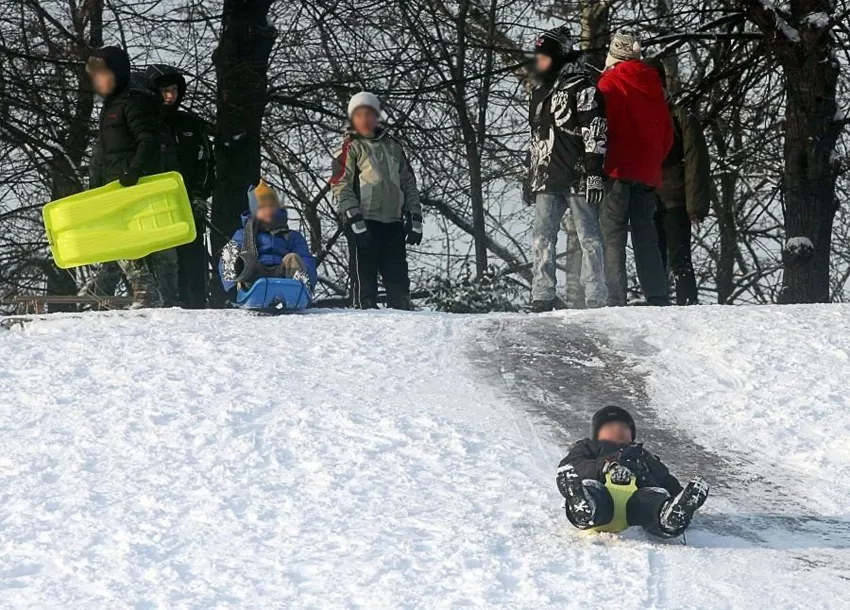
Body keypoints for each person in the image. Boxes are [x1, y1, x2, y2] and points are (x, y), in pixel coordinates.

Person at [525, 26, 608, 312]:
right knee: (542, 236)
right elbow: (535, 139)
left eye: (545, 55)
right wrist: (530, 176)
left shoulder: (583, 88)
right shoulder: (538, 93)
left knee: (589, 237)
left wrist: (595, 172)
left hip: (578, 176)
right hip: (546, 177)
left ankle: (596, 295)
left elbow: (595, 131)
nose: (540, 61)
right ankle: (542, 294)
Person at [87, 46, 172, 308]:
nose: (97, 81)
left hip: (129, 184)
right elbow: (104, 151)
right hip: (111, 185)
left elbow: (148, 140)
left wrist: (134, 171)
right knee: (109, 241)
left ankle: (146, 291)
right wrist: (95, 185)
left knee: (121, 238)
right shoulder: (111, 106)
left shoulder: (132, 101)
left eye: (102, 74)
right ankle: (100, 296)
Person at [597, 31, 673, 307]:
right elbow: (667, 134)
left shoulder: (608, 83)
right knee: (646, 235)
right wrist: (652, 160)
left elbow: (599, 127)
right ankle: (657, 294)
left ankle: (615, 297)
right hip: (647, 172)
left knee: (612, 234)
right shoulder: (655, 85)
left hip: (616, 169)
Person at [556, 406, 709, 538]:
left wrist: (682, 499)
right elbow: (571, 466)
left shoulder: (642, 455)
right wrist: (603, 467)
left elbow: (666, 479)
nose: (618, 432)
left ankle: (668, 516)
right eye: (609, 429)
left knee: (653, 498)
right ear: (597, 433)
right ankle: (583, 506)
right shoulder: (590, 447)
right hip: (603, 493)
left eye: (623, 429)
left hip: (637, 500)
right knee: (592, 489)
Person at [330, 92, 422, 310]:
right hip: (364, 222)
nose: (365, 119)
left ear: (378, 117)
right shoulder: (350, 147)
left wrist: (415, 216)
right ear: (353, 119)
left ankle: (403, 316)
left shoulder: (394, 147)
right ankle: (364, 315)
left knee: (397, 276)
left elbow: (408, 183)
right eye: (359, 115)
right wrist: (353, 217)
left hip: (393, 223)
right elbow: (340, 184)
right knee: (364, 278)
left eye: (369, 114)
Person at [146, 64, 215, 309]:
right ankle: (164, 307)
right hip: (153, 205)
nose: (170, 96)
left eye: (174, 90)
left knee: (192, 258)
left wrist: (200, 195)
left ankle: (195, 305)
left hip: (188, 202)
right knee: (161, 260)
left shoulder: (190, 124)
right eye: (164, 90)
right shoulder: (143, 124)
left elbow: (206, 161)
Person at [651, 61, 711, 306]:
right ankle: (659, 307)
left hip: (674, 197)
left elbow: (696, 160)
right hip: (648, 198)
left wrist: (695, 206)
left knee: (679, 257)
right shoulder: (639, 115)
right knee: (654, 259)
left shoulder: (680, 115)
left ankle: (687, 305)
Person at [219, 180, 317, 298]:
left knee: (293, 258)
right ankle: (245, 291)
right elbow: (228, 257)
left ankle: (299, 290)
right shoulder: (243, 234)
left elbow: (306, 259)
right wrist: (230, 287)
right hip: (254, 277)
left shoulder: (292, 236)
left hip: (284, 277)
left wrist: (310, 282)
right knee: (244, 257)